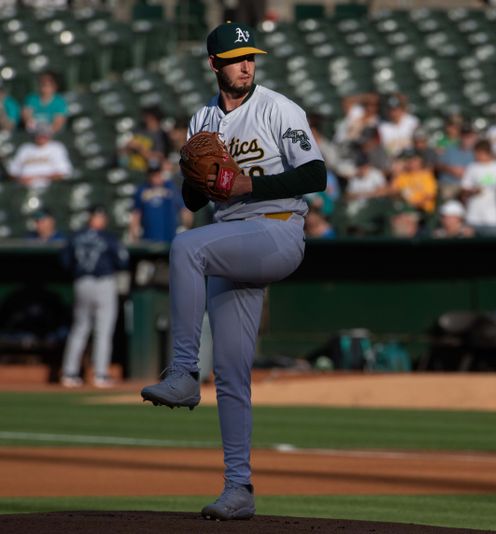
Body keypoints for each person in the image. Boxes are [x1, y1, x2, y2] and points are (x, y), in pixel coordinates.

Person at [139, 22, 326, 521]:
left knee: (185, 248)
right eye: (235, 57)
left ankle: (181, 371)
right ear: (214, 65)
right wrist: (205, 178)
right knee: (232, 374)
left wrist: (244, 186)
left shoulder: (278, 107)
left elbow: (316, 175)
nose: (246, 64)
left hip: (277, 229)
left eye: (250, 56)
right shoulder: (203, 119)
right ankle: (238, 488)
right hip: (231, 241)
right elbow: (191, 197)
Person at [60, 205, 128, 389]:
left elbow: (65, 261)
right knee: (103, 331)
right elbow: (123, 260)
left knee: (80, 329)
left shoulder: (76, 236)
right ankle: (100, 375)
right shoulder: (107, 237)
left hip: (81, 282)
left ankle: (69, 373)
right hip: (103, 282)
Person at [460, 139, 496, 235]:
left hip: (492, 217)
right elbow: (464, 189)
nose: (475, 156)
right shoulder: (472, 167)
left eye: (477, 153)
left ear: (485, 152)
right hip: (473, 217)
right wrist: (473, 192)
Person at [129, 163, 190, 244]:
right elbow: (136, 213)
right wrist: (134, 234)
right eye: (152, 175)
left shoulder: (171, 187)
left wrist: (185, 227)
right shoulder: (142, 189)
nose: (155, 177)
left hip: (170, 237)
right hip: (149, 238)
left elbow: (184, 210)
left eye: (157, 174)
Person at [7, 124, 73, 188]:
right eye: (38, 135)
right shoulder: (25, 148)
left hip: (49, 188)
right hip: (24, 188)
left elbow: (63, 173)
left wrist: (37, 177)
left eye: (44, 135)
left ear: (49, 135)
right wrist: (21, 180)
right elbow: (13, 172)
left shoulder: (56, 147)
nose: (41, 137)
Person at [121, 107, 171, 173]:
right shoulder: (138, 129)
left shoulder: (161, 136)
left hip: (145, 171)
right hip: (129, 167)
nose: (143, 118)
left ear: (152, 117)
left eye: (146, 115)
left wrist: (139, 148)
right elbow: (122, 150)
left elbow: (158, 158)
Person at [436, 122, 477, 201]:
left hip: (470, 186)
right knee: (446, 194)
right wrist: (450, 169)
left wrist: (467, 173)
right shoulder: (450, 149)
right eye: (464, 136)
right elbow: (438, 165)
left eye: (469, 136)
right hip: (450, 184)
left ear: (474, 137)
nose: (466, 139)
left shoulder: (478, 152)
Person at [390, 150, 437, 214]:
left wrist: (415, 203)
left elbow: (431, 195)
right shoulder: (401, 176)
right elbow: (393, 191)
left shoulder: (426, 175)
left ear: (420, 161)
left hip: (422, 209)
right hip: (405, 208)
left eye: (414, 160)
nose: (411, 162)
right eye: (408, 160)